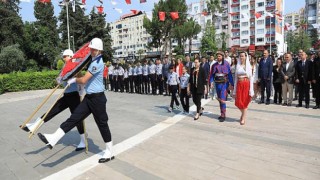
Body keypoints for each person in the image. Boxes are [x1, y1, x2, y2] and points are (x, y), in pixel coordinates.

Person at [37, 38, 114, 163]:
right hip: (89, 98)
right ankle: (53, 138)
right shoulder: (93, 61)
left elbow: (84, 80)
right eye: (91, 49)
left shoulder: (97, 63)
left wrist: (73, 80)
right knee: (74, 118)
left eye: (94, 49)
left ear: (99, 50)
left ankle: (109, 151)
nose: (92, 51)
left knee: (102, 124)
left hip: (98, 99)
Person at [22, 49, 86, 151]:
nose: (64, 58)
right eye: (63, 57)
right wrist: (59, 80)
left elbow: (82, 80)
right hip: (66, 95)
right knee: (52, 110)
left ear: (70, 56)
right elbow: (58, 79)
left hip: (74, 96)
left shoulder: (75, 66)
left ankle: (83, 141)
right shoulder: (65, 67)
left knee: (77, 119)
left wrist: (78, 84)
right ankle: (34, 126)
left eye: (66, 56)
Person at [209, 51, 234, 122]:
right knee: (219, 99)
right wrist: (211, 82)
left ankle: (223, 114)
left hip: (224, 84)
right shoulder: (214, 65)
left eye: (219, 56)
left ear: (222, 56)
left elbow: (229, 74)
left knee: (223, 99)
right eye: (217, 56)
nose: (218, 57)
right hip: (217, 84)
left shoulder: (226, 64)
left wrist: (231, 84)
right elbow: (211, 75)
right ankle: (222, 113)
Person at [233, 52, 254, 125]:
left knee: (245, 102)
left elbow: (251, 78)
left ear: (246, 57)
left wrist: (251, 90)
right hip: (239, 84)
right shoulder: (238, 66)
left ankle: (243, 118)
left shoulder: (248, 66)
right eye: (240, 56)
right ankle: (243, 114)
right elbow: (235, 78)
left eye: (242, 56)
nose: (241, 57)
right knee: (238, 102)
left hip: (246, 85)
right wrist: (234, 90)